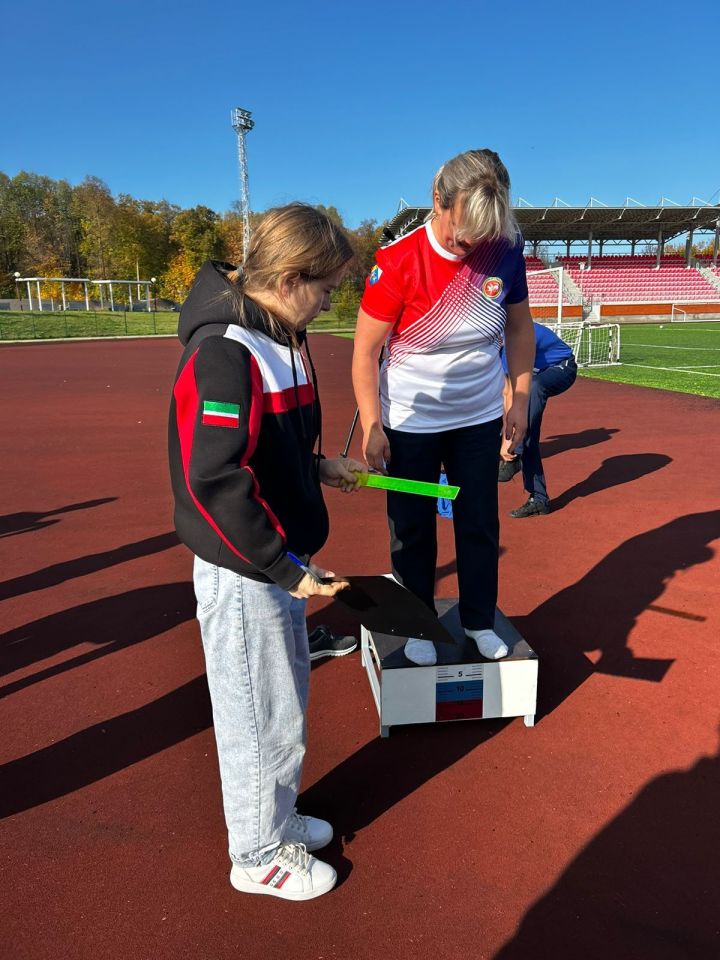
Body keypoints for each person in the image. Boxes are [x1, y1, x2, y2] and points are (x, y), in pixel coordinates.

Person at [168, 203, 364, 901]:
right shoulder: (225, 350)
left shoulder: (278, 334)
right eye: (328, 287)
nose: (333, 300)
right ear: (287, 277)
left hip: (276, 561)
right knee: (259, 712)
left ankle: (274, 818)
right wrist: (286, 570)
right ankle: (256, 854)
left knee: (285, 702)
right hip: (246, 566)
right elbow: (216, 482)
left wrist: (315, 468)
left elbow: (268, 451)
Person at [352, 149, 535, 667]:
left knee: (478, 523)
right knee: (412, 527)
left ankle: (478, 619)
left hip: (477, 420)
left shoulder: (505, 249)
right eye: (460, 232)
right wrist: (372, 425)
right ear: (438, 201)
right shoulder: (396, 261)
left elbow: (520, 328)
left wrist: (518, 397)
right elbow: (365, 352)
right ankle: (416, 622)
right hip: (410, 423)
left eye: (480, 234)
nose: (469, 244)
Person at [498, 321, 577, 516]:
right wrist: (505, 435)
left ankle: (514, 455)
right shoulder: (498, 347)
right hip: (534, 380)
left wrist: (510, 440)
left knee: (527, 421)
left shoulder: (514, 336)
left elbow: (516, 393)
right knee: (515, 424)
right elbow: (507, 392)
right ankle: (538, 498)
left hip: (562, 368)